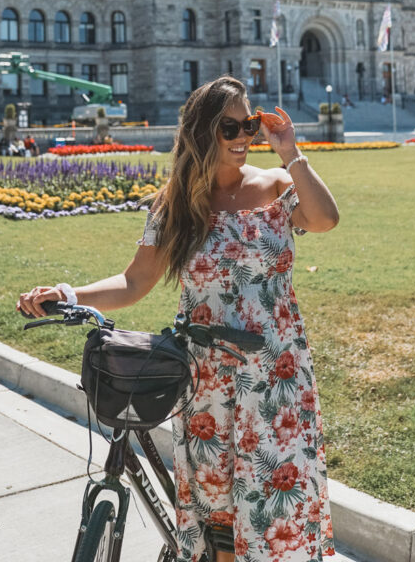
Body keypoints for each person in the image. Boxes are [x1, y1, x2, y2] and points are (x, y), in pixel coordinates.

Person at [18, 76, 340, 562]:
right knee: (219, 520)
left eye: (248, 124)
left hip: (276, 378)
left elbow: (325, 219)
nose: (242, 136)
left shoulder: (277, 186)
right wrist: (68, 293)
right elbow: (135, 281)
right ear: (201, 131)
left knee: (278, 515)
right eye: (229, 126)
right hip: (206, 380)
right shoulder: (175, 203)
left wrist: (290, 152)